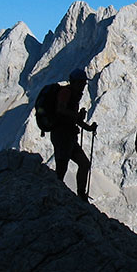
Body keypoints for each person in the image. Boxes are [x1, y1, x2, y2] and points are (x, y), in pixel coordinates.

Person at [52, 68, 97, 201]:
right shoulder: (66, 93)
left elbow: (73, 118)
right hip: (62, 135)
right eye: (82, 82)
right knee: (62, 165)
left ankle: (81, 195)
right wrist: (77, 116)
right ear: (76, 82)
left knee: (84, 164)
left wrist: (88, 128)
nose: (83, 85)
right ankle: (57, 192)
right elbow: (61, 110)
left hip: (68, 136)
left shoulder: (73, 95)